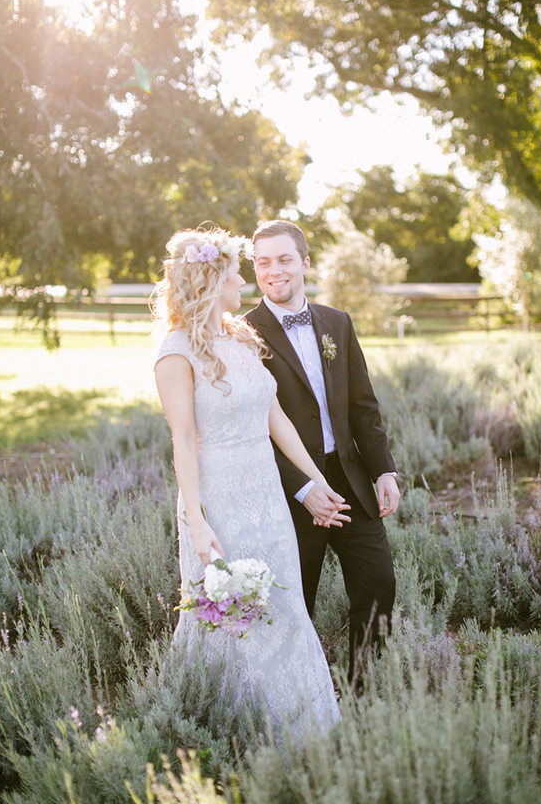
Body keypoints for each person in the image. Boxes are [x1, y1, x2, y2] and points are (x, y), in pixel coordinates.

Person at [152, 226, 341, 735]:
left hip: (267, 500)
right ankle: (220, 729)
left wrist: (314, 478)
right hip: (217, 502)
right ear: (213, 279)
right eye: (238, 270)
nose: (245, 280)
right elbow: (184, 441)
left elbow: (275, 416)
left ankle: (302, 728)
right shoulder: (176, 352)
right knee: (229, 619)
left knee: (282, 607)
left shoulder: (240, 335)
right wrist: (197, 523)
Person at [246, 220, 400, 686]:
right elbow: (250, 431)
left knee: (378, 584)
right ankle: (300, 699)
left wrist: (384, 471)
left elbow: (363, 406)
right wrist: (305, 487)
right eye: (263, 262)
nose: (274, 270)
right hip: (289, 491)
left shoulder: (337, 323)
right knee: (295, 601)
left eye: (285, 259)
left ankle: (362, 688)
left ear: (306, 263)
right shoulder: (242, 334)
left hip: (349, 479)